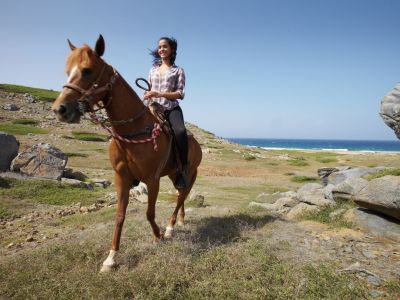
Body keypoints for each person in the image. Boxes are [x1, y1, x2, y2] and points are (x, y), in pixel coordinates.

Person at [144, 37, 189, 188]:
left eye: (165, 46)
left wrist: (159, 94)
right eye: (160, 47)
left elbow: (180, 94)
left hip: (171, 108)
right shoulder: (152, 70)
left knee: (181, 132)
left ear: (172, 50)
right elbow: (149, 89)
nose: (161, 49)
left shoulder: (178, 70)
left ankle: (183, 170)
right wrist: (148, 95)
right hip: (153, 107)